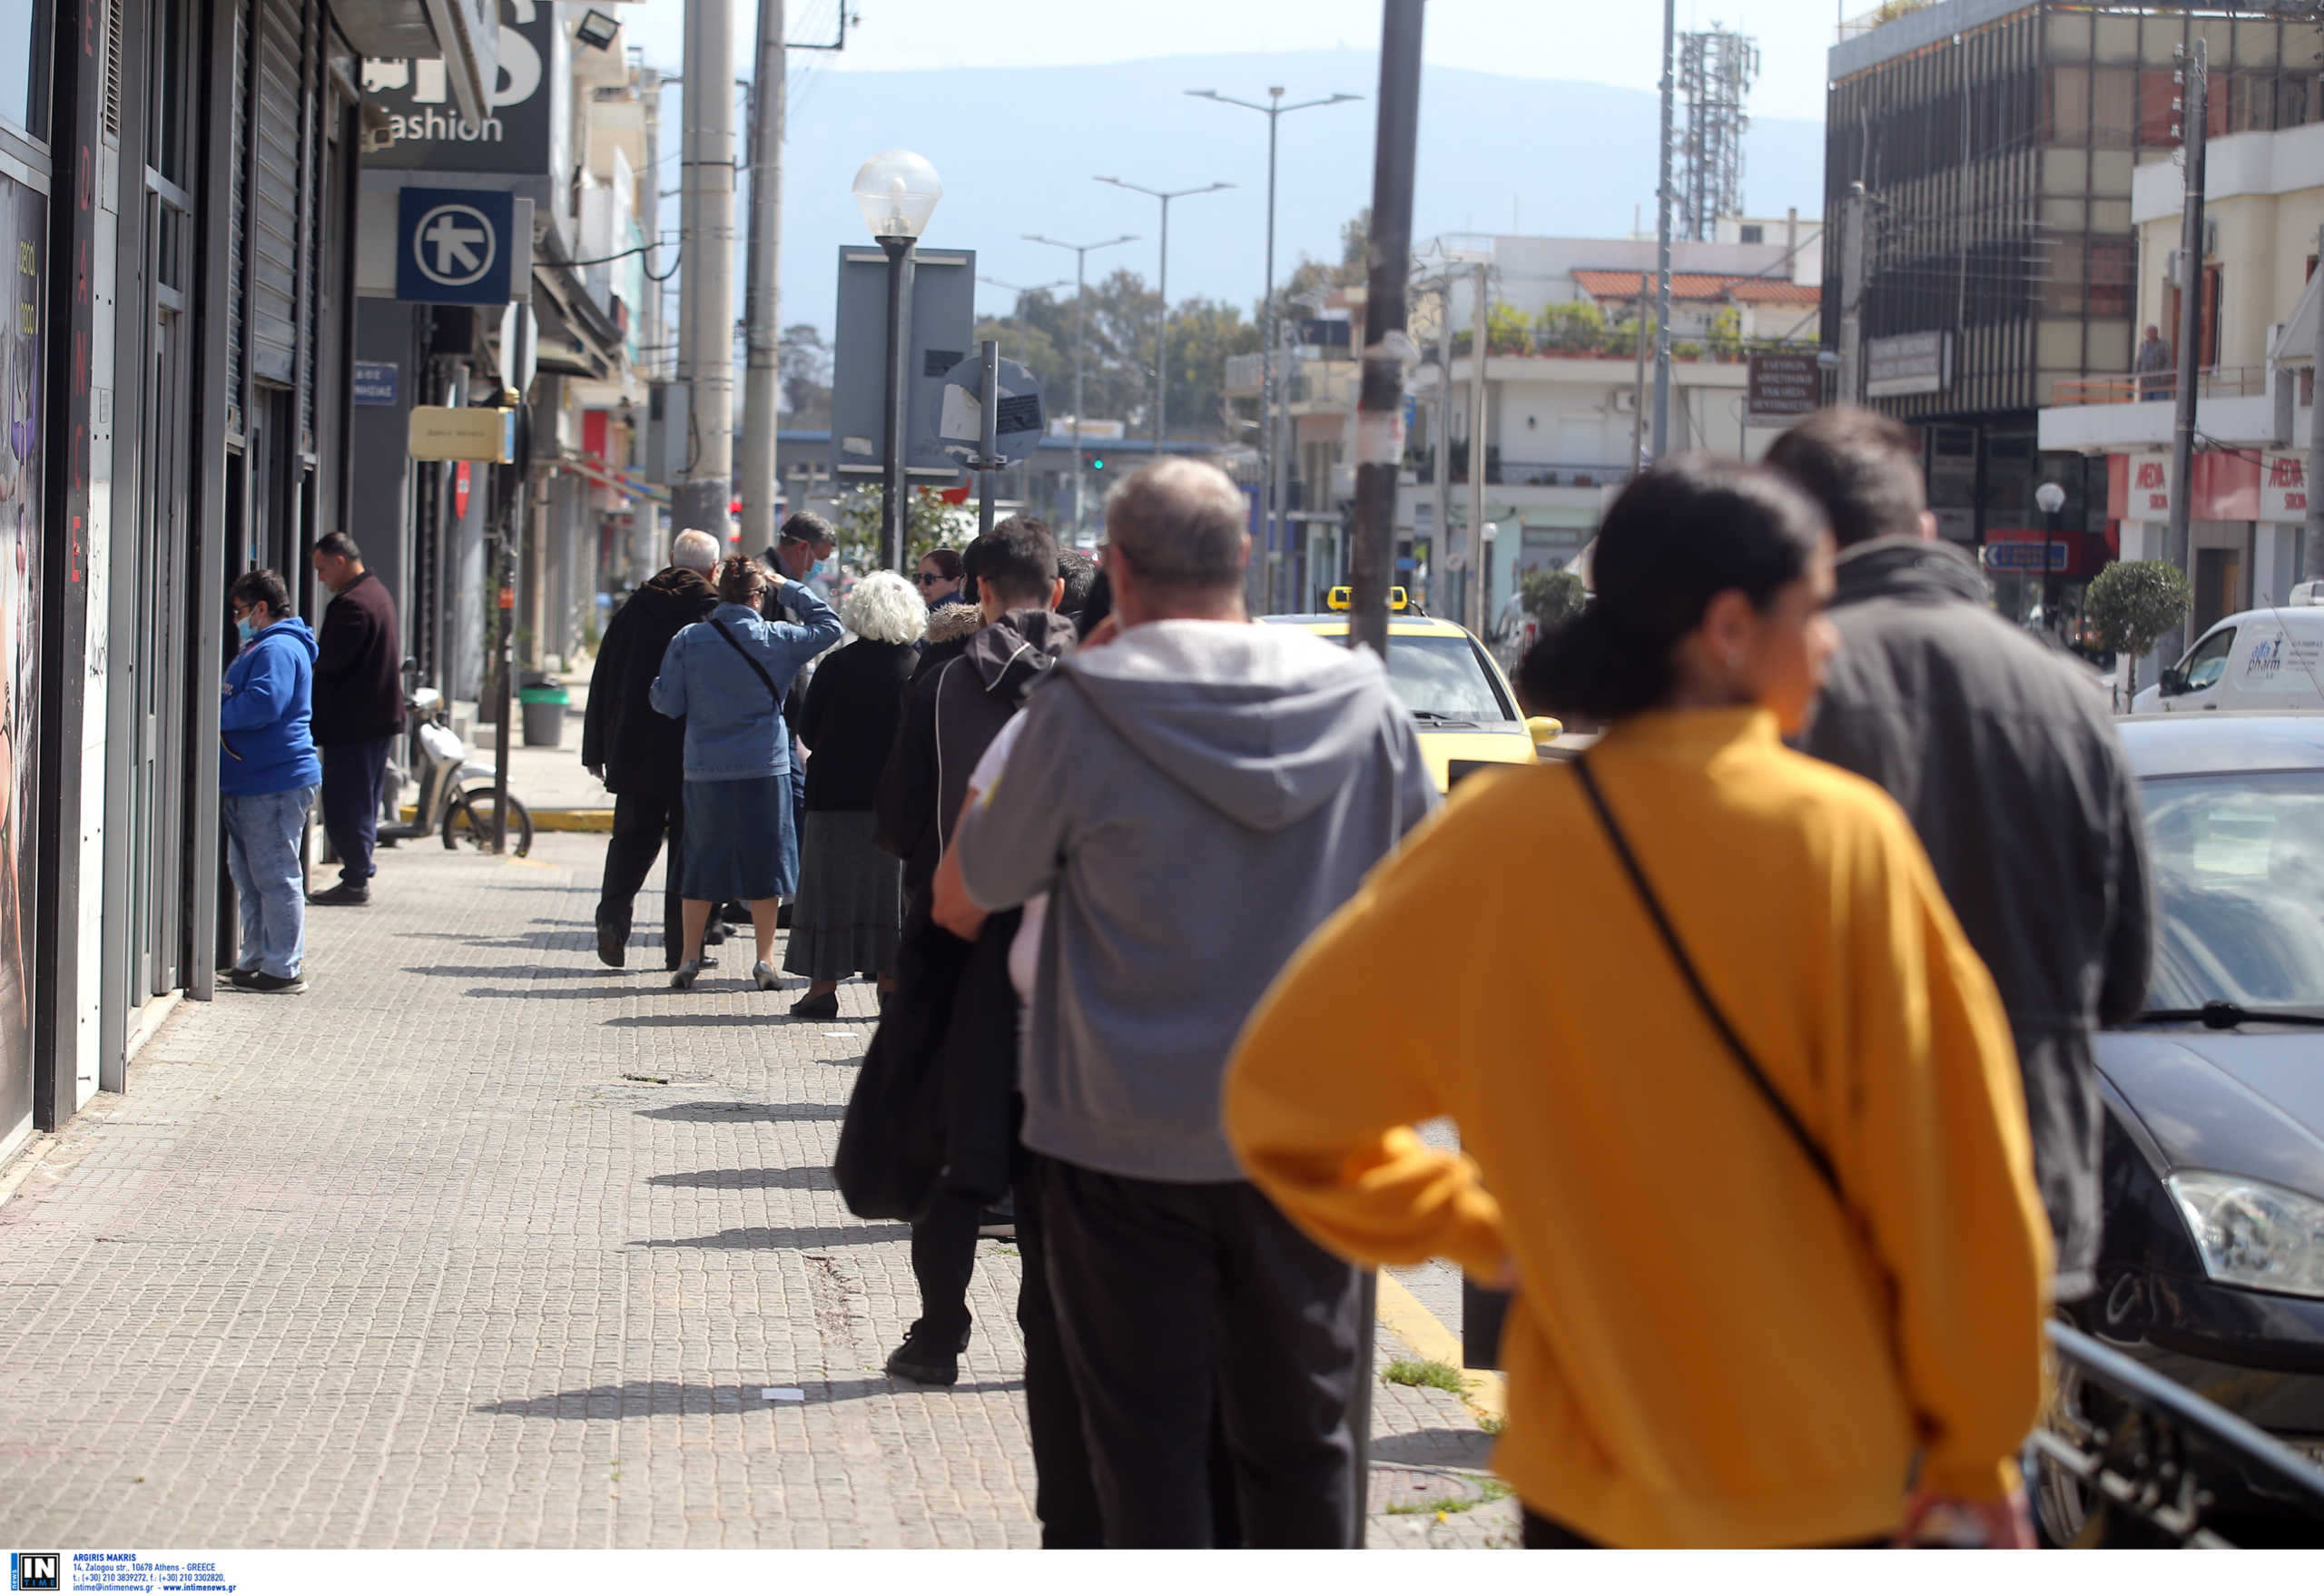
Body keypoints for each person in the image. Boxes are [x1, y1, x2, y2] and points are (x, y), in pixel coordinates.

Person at [1224, 456, 2051, 1550]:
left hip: (1589, 1466)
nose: (1830, 641)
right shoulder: (1843, 842)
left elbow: (1281, 1098)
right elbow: (1957, 1176)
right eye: (1813, 611)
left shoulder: (1496, 844)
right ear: (1727, 628)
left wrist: (1480, 1226)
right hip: (1818, 1464)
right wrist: (1975, 1442)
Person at [951, 458, 1437, 1549]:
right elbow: (1419, 911)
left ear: (1114, 569)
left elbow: (977, 881)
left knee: (1144, 1446)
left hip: (1118, 1136)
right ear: (1247, 560)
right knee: (1304, 1441)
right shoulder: (1365, 706)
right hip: (1309, 1140)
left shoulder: (1078, 711)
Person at [1768, 407, 2152, 1305]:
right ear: (1926, 528)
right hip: (2021, 1196)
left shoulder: (1781, 688)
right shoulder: (2069, 693)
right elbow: (2123, 979)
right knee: (1983, 1446)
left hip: (1825, 1205)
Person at [867, 515, 1072, 1391]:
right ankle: (1046, 1347)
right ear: (1058, 592)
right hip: (1073, 964)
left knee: (949, 1157)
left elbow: (901, 828)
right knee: (1054, 1172)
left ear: (979, 591)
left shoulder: (939, 687)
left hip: (956, 949)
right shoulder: (1102, 689)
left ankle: (937, 1337)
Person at [648, 555, 842, 990]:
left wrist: (657, 690)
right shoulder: (777, 638)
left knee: (698, 860)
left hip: (703, 767)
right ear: (759, 596)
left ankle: (688, 957)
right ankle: (765, 960)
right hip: (764, 765)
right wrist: (787, 586)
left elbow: (669, 704)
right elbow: (829, 624)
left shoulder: (689, 639)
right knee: (766, 862)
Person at [784, 570, 926, 1020]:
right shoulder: (919, 668)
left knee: (829, 891)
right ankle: (890, 984)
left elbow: (807, 728)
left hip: (835, 797)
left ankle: (822, 989)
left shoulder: (837, 665)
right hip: (896, 802)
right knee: (890, 895)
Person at [583, 529, 721, 970]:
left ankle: (612, 918)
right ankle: (682, 949)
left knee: (631, 839)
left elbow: (603, 678)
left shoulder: (635, 610)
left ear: (669, 559)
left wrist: (596, 748)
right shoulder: (713, 614)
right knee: (689, 848)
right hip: (693, 752)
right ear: (712, 569)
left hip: (636, 748)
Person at [221, 569, 322, 994]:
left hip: (274, 780)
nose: (236, 620)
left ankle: (283, 968)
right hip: (252, 778)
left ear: (261, 608)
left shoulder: (278, 648)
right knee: (250, 875)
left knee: (276, 874)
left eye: (240, 611)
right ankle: (257, 957)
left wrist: (213, 712)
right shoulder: (262, 645)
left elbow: (265, 703)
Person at [306, 531, 402, 907]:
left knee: (349, 802)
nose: (320, 578)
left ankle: (356, 879)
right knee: (361, 800)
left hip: (355, 725)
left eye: (321, 568)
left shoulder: (352, 604)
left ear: (339, 561)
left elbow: (330, 662)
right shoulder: (375, 592)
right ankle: (357, 874)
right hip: (371, 722)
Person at [915, 547, 970, 613]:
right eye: (918, 577)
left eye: (928, 578)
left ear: (955, 583)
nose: (920, 585)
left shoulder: (962, 619)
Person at [2135, 322, 2172, 399]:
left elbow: (2168, 361)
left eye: (2152, 332)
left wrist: (2165, 376)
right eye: (2148, 332)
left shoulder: (2164, 344)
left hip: (2160, 381)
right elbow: (2139, 360)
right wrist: (2137, 373)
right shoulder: (2143, 345)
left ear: (2156, 333)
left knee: (2159, 404)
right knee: (2146, 405)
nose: (2150, 334)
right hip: (2146, 381)